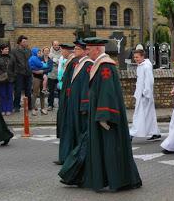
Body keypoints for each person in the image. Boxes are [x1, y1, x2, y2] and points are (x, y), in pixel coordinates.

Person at [60, 38, 142, 191]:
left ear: (97, 49)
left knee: (111, 149)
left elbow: (107, 92)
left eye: (89, 49)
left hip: (106, 118)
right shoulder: (99, 65)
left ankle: (119, 180)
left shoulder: (105, 66)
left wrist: (104, 115)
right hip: (98, 115)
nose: (87, 52)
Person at [55, 42, 85, 165]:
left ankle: (67, 156)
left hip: (69, 99)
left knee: (68, 128)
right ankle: (65, 155)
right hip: (66, 96)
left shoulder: (73, 62)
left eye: (63, 51)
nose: (62, 53)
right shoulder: (70, 61)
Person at [130, 49, 161, 141]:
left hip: (144, 95)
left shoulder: (146, 67)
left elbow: (149, 81)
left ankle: (132, 133)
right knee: (149, 114)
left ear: (142, 57)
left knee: (139, 115)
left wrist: (145, 93)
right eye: (134, 57)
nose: (135, 59)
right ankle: (156, 133)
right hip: (141, 94)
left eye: (137, 57)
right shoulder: (141, 66)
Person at [9, 35, 32, 112]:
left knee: (28, 90)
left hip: (28, 73)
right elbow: (12, 63)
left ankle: (29, 106)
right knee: (18, 90)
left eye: (26, 41)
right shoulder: (14, 51)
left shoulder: (28, 50)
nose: (26, 43)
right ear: (19, 42)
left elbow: (31, 61)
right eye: (24, 41)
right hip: (19, 73)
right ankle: (16, 106)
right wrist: (14, 72)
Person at [29, 47, 52, 116]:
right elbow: (32, 68)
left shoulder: (50, 60)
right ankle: (33, 108)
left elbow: (49, 68)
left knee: (42, 93)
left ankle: (42, 108)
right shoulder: (38, 58)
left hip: (44, 78)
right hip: (36, 78)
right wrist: (37, 71)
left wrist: (41, 71)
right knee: (35, 93)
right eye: (45, 51)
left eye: (48, 51)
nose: (46, 52)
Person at [0, 44, 13, 116]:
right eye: (5, 49)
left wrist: (13, 75)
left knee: (10, 94)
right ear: (1, 50)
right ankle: (3, 109)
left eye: (8, 49)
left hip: (10, 78)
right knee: (2, 95)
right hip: (1, 79)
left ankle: (9, 109)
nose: (7, 50)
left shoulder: (11, 57)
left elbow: (14, 67)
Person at [46, 41, 62, 111]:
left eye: (58, 45)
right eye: (55, 45)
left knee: (60, 90)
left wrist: (56, 61)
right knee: (51, 91)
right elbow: (49, 63)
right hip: (51, 74)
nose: (56, 46)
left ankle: (61, 104)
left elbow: (62, 63)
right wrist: (58, 61)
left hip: (60, 75)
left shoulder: (62, 53)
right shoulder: (49, 53)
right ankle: (50, 105)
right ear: (52, 45)